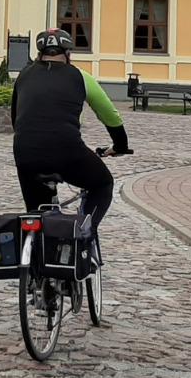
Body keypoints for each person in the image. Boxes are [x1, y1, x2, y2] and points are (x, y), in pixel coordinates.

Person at [10, 28, 132, 232]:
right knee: (103, 184)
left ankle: (34, 247)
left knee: (36, 215)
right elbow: (110, 115)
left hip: (26, 153)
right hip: (66, 151)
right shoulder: (80, 76)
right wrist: (120, 145)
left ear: (39, 54)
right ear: (68, 54)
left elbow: (16, 118)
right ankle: (85, 232)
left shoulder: (24, 75)